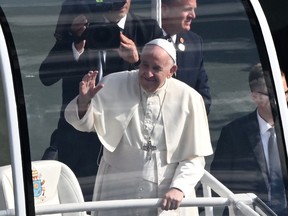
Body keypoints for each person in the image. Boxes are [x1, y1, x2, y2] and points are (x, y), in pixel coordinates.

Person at [64, 38, 213, 215]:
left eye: (156, 68)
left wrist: (179, 188)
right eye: (144, 65)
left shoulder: (189, 99)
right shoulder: (113, 83)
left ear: (172, 71)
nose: (147, 73)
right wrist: (84, 102)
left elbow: (194, 157)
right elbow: (83, 124)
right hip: (118, 190)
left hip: (167, 196)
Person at [39, 0, 163, 191]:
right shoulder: (82, 29)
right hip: (78, 143)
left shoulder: (147, 30)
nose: (122, 3)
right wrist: (76, 43)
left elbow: (166, 85)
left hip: (127, 145)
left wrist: (138, 61)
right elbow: (46, 76)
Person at [210, 63, 288, 215]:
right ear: (255, 96)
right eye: (273, 95)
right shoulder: (234, 134)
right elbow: (218, 182)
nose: (281, 99)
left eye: (285, 92)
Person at [161, 0, 211, 114]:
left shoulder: (194, 42)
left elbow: (203, 96)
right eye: (187, 9)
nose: (193, 15)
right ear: (165, 10)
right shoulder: (143, 40)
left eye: (194, 9)